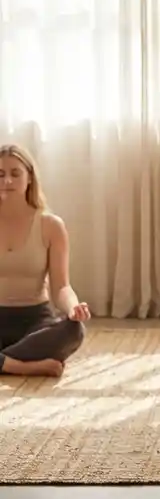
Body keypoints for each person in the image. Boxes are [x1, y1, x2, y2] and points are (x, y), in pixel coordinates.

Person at [0, 144, 90, 379]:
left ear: (29, 177)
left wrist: (73, 308)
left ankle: (5, 361)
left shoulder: (50, 226)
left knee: (73, 330)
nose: (7, 180)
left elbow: (61, 286)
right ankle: (22, 366)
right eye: (0, 174)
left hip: (34, 321)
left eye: (15, 173)